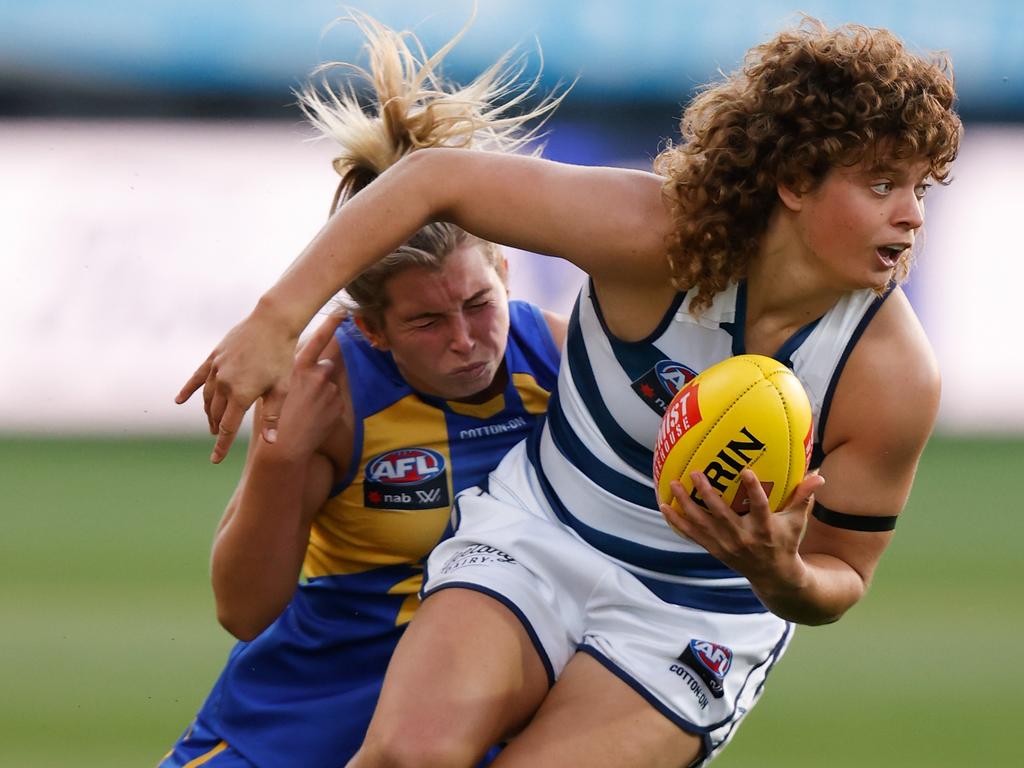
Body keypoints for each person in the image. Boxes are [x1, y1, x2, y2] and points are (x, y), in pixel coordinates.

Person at [177, 16, 961, 768]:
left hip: (694, 618)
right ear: (794, 180)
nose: (912, 216)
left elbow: (842, 579)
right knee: (409, 756)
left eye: (922, 187)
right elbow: (434, 178)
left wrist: (779, 573)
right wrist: (276, 320)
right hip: (541, 536)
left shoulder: (891, 374)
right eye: (883, 183)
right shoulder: (659, 236)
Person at [161, 13, 566, 768]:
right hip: (311, 702)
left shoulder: (563, 362)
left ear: (505, 272)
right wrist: (280, 463)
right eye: (425, 322)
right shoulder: (333, 392)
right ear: (373, 330)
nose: (465, 339)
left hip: (484, 710)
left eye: (479, 304)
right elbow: (243, 611)